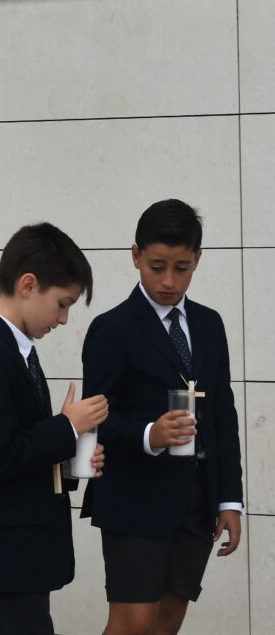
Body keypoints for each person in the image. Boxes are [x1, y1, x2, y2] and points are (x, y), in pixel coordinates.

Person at [81, 199, 243, 635]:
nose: (169, 281)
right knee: (133, 622)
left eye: (182, 267)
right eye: (156, 267)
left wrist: (229, 499)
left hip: (196, 499)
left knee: (169, 619)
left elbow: (223, 415)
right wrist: (152, 433)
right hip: (133, 496)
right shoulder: (112, 329)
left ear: (198, 260)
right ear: (135, 256)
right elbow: (95, 419)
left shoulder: (210, 325)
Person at [0, 223, 108, 635]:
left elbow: (19, 447)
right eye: (62, 304)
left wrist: (68, 459)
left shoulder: (15, 349)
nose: (64, 319)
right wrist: (66, 429)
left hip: (19, 553)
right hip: (1, 555)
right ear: (28, 284)